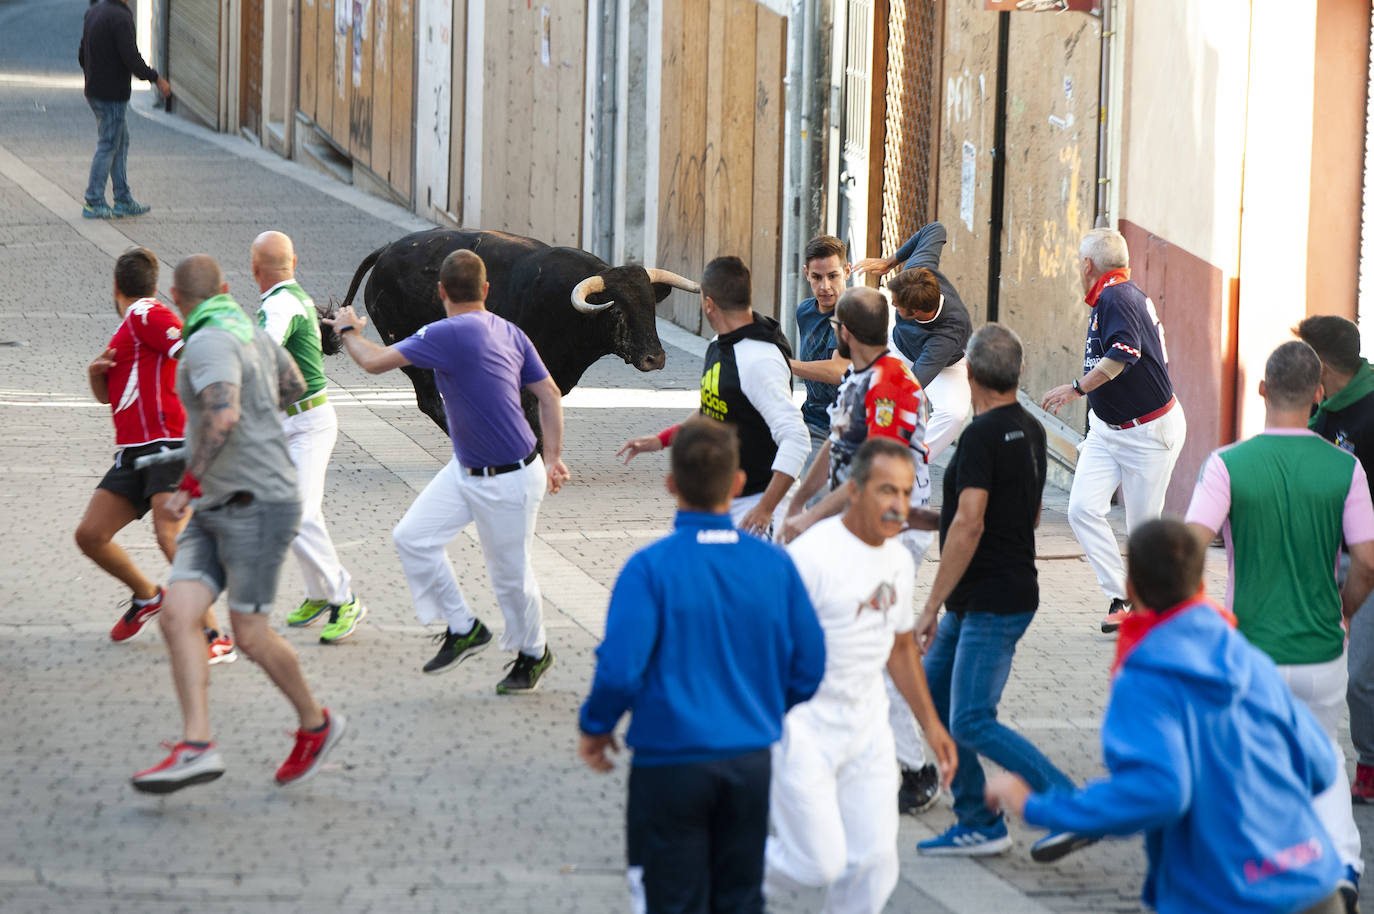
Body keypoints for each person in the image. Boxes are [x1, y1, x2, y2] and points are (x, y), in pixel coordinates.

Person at [986, 519, 1347, 914]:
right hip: (1316, 884)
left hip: (1228, 897)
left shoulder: (1144, 678)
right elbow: (1322, 765)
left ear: (1130, 590)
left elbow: (1159, 791)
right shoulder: (1250, 658)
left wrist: (1037, 807)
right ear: (1200, 584)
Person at [578, 417, 827, 914]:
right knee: (740, 897)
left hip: (668, 764)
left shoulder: (648, 568)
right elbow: (810, 664)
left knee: (670, 897)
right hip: (751, 758)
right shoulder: (775, 565)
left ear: (671, 484)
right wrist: (762, 707)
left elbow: (620, 670)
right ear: (737, 483)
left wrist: (597, 726)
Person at [131, 255, 345, 793]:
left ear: (176, 298)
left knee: (249, 635)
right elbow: (294, 385)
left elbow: (223, 415)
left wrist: (188, 483)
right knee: (178, 617)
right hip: (219, 507)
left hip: (256, 506)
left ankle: (316, 726)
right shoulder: (247, 328)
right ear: (224, 289)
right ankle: (197, 745)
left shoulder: (205, 342)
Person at [323, 250, 570, 691]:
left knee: (510, 577)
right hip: (470, 468)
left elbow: (373, 361)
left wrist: (347, 329)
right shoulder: (508, 331)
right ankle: (463, 627)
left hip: (511, 479)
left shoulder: (445, 333)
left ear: (440, 292)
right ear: (486, 290)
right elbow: (549, 395)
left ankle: (534, 653)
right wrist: (553, 457)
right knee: (413, 537)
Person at [1185, 340, 1374, 909]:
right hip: (1321, 650)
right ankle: (1341, 865)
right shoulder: (1346, 467)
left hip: (1250, 651)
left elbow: (1187, 547)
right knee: (1326, 761)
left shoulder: (1227, 464)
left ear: (1263, 390)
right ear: (1318, 395)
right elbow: (1366, 560)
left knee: (1247, 763)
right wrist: (1343, 610)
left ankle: (1257, 872)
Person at [766, 437, 958, 914]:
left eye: (908, 493)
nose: (900, 506)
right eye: (886, 491)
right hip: (803, 730)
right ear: (852, 491)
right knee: (816, 863)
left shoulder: (896, 558)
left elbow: (898, 647)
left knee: (874, 866)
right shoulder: (808, 559)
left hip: (868, 732)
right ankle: (722, 872)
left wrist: (932, 728)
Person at [912, 324, 1076, 856]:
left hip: (989, 600)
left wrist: (930, 604)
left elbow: (971, 523)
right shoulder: (1029, 427)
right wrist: (916, 516)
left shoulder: (981, 435)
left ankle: (1069, 804)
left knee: (971, 719)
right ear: (1017, 372)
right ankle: (979, 820)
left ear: (972, 374)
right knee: (934, 701)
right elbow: (1018, 514)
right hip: (990, 592)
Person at [783, 287, 942, 814]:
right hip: (858, 524)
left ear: (843, 332)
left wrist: (809, 516)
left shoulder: (892, 382)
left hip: (893, 531)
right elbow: (839, 441)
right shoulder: (861, 375)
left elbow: (874, 477)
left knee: (880, 647)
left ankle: (915, 767)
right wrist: (800, 500)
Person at [77, 246, 233, 664]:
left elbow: (188, 349)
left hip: (168, 446)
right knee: (90, 536)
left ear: (115, 287)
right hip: (132, 454)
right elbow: (109, 400)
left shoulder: (147, 314)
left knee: (169, 535)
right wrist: (97, 374)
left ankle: (215, 633)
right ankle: (148, 597)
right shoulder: (125, 331)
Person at [1040, 227, 1186, 633]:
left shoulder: (1116, 295)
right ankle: (1122, 597)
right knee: (1082, 508)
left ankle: (1157, 610)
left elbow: (1124, 353)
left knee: (1142, 531)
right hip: (1108, 430)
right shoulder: (1114, 295)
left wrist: (1075, 389)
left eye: (1077, 262)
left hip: (1148, 434)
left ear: (1088, 265)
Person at [618, 256, 809, 537]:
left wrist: (766, 507)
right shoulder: (718, 344)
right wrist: (662, 439)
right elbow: (713, 409)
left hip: (759, 507)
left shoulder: (759, 359)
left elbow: (797, 438)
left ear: (708, 304)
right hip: (726, 503)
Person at [251, 231, 365, 643]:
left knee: (296, 514)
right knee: (298, 513)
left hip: (307, 424)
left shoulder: (279, 304)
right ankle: (319, 593)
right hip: (298, 422)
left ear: (254, 269)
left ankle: (343, 597)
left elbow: (262, 352)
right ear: (293, 262)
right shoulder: (293, 295)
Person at [1296, 315, 1374, 804]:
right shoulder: (1323, 409)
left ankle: (1368, 762)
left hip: (1367, 560)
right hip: (1338, 557)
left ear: (1321, 363)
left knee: (1361, 674)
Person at [852, 220, 972, 460]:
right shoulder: (919, 271)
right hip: (897, 345)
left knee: (954, 413)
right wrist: (891, 261)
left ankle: (907, 462)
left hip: (945, 366)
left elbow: (912, 384)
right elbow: (936, 228)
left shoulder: (948, 332)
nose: (892, 304)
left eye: (896, 304)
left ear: (916, 312)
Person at [78, 0, 171, 220]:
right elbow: (131, 58)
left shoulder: (94, 12)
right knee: (109, 144)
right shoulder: (121, 17)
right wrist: (156, 78)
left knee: (120, 141)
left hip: (95, 91)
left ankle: (123, 199)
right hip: (112, 95)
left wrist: (95, 75)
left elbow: (82, 54)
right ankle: (94, 201)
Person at [789, 235, 850, 462]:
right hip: (813, 420)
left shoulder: (852, 313)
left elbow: (838, 371)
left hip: (849, 428)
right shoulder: (804, 311)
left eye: (833, 276)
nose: (825, 286)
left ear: (847, 271)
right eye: (817, 277)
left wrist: (784, 363)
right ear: (806, 274)